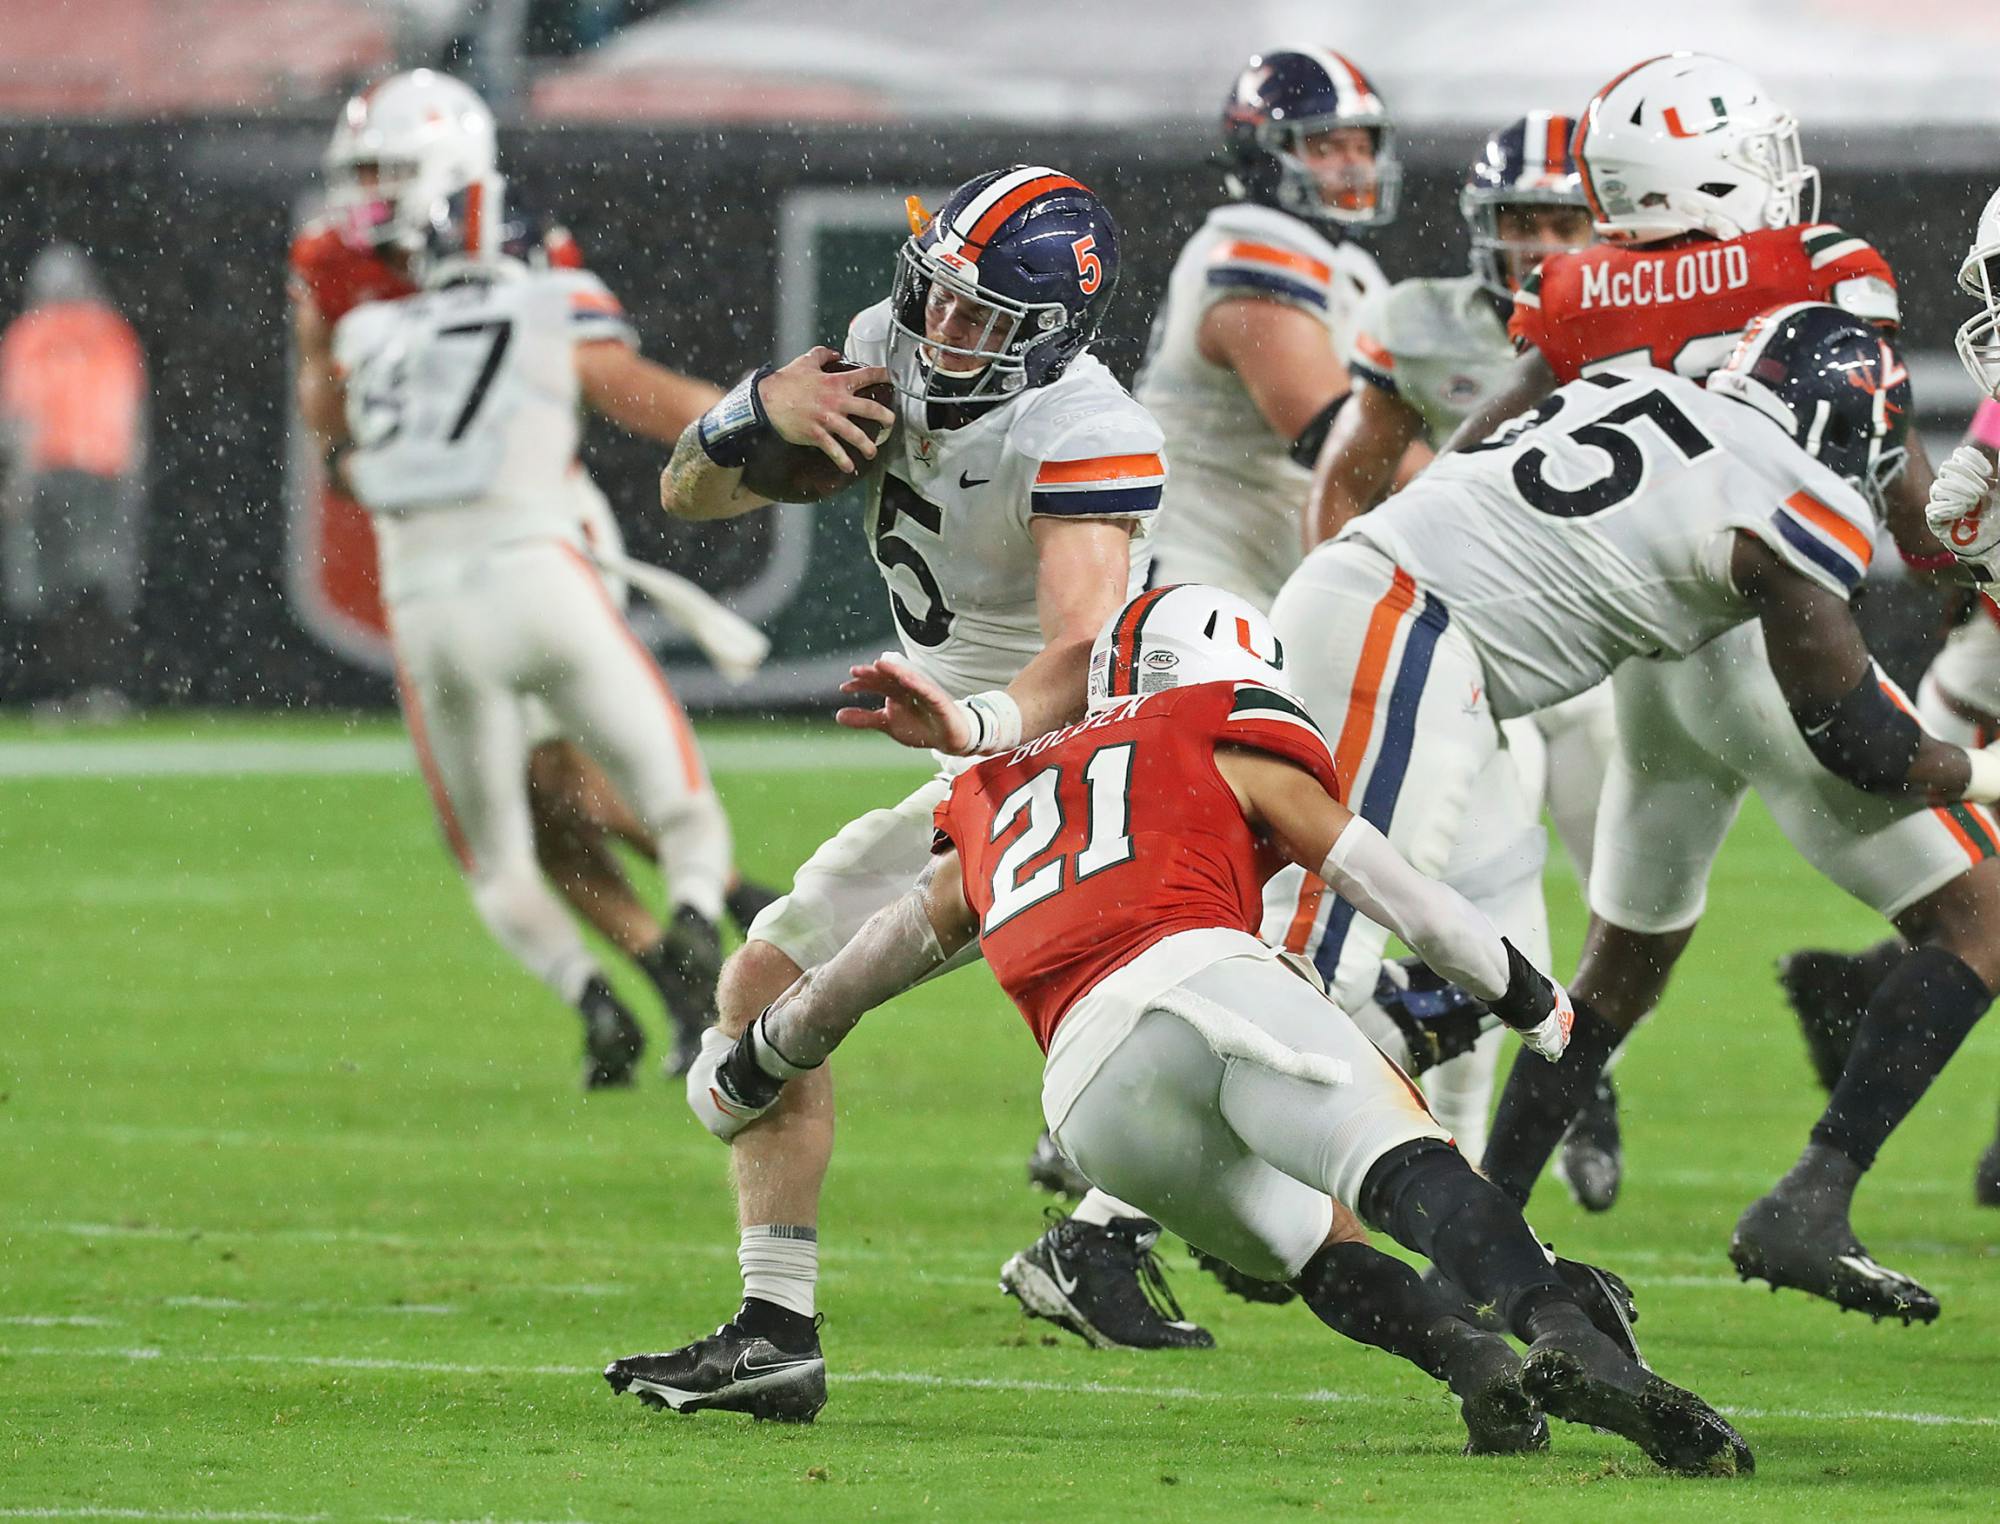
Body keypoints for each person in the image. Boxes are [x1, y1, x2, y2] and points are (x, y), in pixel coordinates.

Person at [614, 586, 1753, 1478]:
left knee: (1312, 1244)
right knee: (1399, 1162)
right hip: (1201, 975)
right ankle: (1570, 1337)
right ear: (1236, 667)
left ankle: (1472, 1369)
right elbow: (1390, 886)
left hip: (1089, 1094)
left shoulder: (1000, 791)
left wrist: (759, 1057)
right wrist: (1534, 1004)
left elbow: (863, 970)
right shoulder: (1222, 727)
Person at [634, 164, 1189, 1389]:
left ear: (1050, 338)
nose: (941, 332)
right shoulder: (885, 341)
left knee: (1144, 1052)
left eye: (981, 319)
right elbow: (684, 494)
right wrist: (744, 417)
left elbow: (1086, 661)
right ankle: (774, 1333)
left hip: (1085, 771)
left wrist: (970, 721)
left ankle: (1398, 1267)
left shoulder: (1079, 427)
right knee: (764, 973)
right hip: (975, 763)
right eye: (935, 297)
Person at [307, 71, 759, 1086]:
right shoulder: (506, 287)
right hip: (530, 562)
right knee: (591, 798)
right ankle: (702, 921)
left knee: (540, 807)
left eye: (388, 173)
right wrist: (760, 426)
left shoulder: (372, 319)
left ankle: (661, 959)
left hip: (441, 589)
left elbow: (337, 436)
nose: (365, 199)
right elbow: (620, 388)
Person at [1309, 113, 1617, 1204]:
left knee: (1617, 905)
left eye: (1558, 220)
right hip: (1468, 652)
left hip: (1602, 652)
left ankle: (1576, 1053)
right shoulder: (1422, 322)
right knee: (1481, 891)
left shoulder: (1651, 324)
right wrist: (1336, 619)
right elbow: (1349, 476)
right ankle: (1501, 1113)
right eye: (1516, 221)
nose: (1536, 244)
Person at [1780, 184, 2000, 1204]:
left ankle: (1861, 986)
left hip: (1971, 674)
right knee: (1982, 916)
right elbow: (1943, 566)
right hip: (1977, 678)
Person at [1138, 44, 1401, 610]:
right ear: (1263, 154)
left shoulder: (1350, 267)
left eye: (1363, 145)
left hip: (1270, 569)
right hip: (1198, 571)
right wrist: (1477, 489)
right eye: (1329, 146)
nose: (1354, 165)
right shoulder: (1250, 248)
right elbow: (1339, 438)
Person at [0, 242, 147, 716]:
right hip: (86, 473)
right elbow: (129, 416)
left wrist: (17, 481)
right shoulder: (106, 332)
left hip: (66, 473)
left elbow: (16, 416)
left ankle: (72, 690)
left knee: (67, 592)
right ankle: (86, 689)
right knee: (82, 591)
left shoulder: (41, 333)